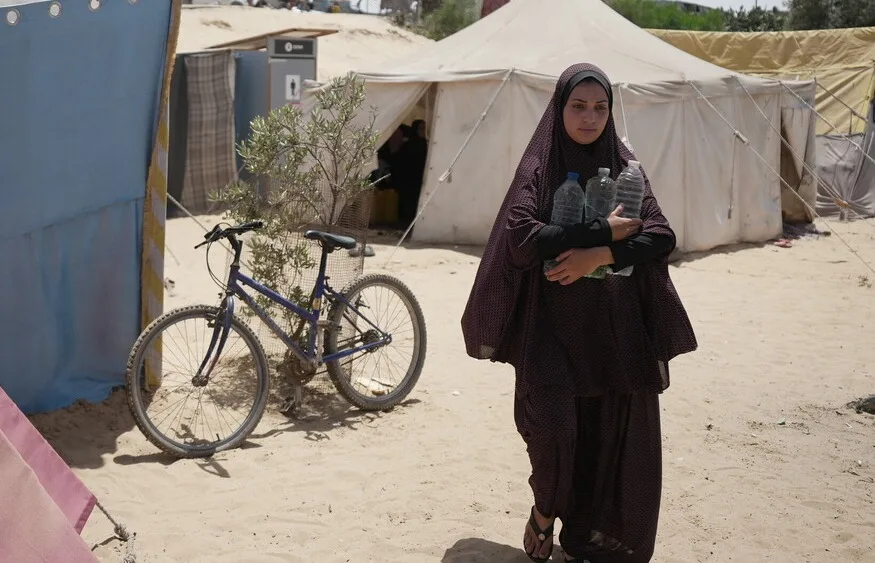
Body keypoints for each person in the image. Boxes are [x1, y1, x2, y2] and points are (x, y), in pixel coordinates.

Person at [460, 63, 697, 562]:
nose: (589, 118)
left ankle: (583, 540)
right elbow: (522, 237)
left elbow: (661, 235)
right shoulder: (539, 166)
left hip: (613, 330)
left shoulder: (624, 165)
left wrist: (600, 255)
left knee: (607, 440)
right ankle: (544, 511)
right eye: (578, 106)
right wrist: (602, 231)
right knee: (554, 434)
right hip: (549, 330)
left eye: (600, 108)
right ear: (559, 107)